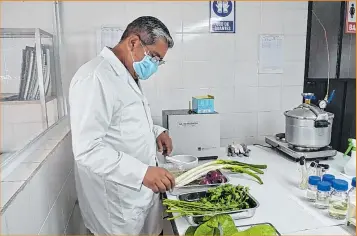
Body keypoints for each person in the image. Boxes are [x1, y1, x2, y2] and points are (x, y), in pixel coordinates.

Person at [69, 16, 175, 236]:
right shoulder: (95, 77)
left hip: (137, 197)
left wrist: (157, 131)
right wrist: (141, 172)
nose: (155, 66)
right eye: (154, 57)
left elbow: (123, 122)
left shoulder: (126, 73)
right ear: (134, 42)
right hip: (116, 207)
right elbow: (87, 149)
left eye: (159, 61)